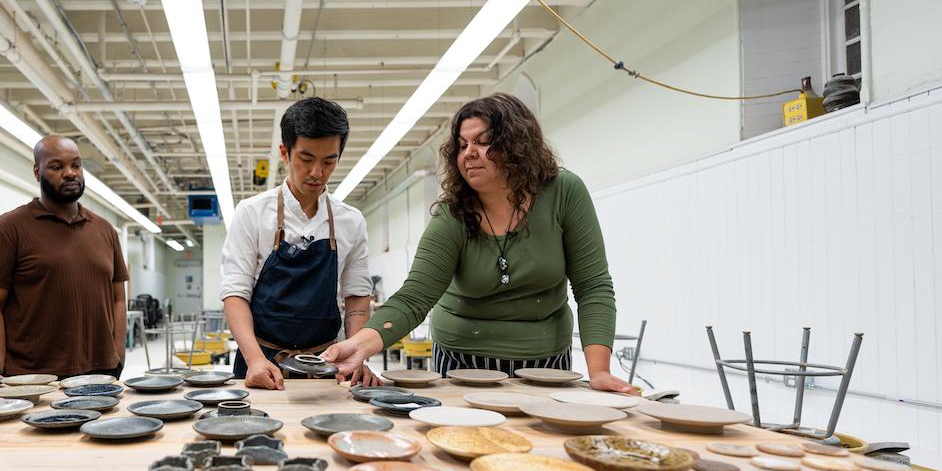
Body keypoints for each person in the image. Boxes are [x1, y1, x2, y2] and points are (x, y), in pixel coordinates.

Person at [323, 93, 634, 392]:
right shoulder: (453, 213)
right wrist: (359, 345)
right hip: (463, 359)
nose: (469, 153)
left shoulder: (563, 192)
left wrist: (600, 372)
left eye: (483, 142)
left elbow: (593, 286)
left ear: (518, 146)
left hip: (546, 359)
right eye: (462, 145)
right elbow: (415, 297)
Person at [220, 97, 372, 389]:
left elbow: (356, 296)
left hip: (328, 365)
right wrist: (253, 359)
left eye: (329, 161)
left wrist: (357, 356)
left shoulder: (350, 221)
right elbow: (235, 293)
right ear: (285, 153)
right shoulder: (252, 213)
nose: (317, 172)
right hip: (262, 362)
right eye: (306, 159)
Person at [0, 135, 130, 380]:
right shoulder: (9, 228)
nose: (70, 173)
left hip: (102, 373)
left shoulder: (105, 230)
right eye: (57, 167)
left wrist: (118, 355)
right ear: (38, 172)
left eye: (76, 165)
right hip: (34, 378)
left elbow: (118, 299)